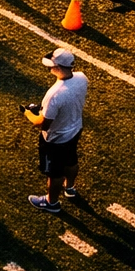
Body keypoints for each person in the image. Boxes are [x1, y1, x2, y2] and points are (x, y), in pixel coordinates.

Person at [25, 48, 88, 213]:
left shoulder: (54, 94)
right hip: (75, 130)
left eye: (51, 66)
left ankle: (51, 202)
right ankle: (70, 188)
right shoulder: (82, 78)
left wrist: (28, 115)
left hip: (56, 139)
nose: (49, 69)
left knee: (55, 173)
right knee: (71, 160)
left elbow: (43, 124)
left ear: (58, 67)